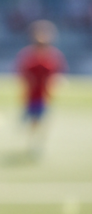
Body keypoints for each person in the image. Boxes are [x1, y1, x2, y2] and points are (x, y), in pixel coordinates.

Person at [15, 20, 67, 155]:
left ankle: (36, 143)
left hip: (43, 96)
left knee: (40, 120)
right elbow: (23, 75)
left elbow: (56, 76)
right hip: (32, 95)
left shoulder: (53, 57)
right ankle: (32, 141)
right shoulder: (29, 56)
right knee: (32, 120)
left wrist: (53, 89)